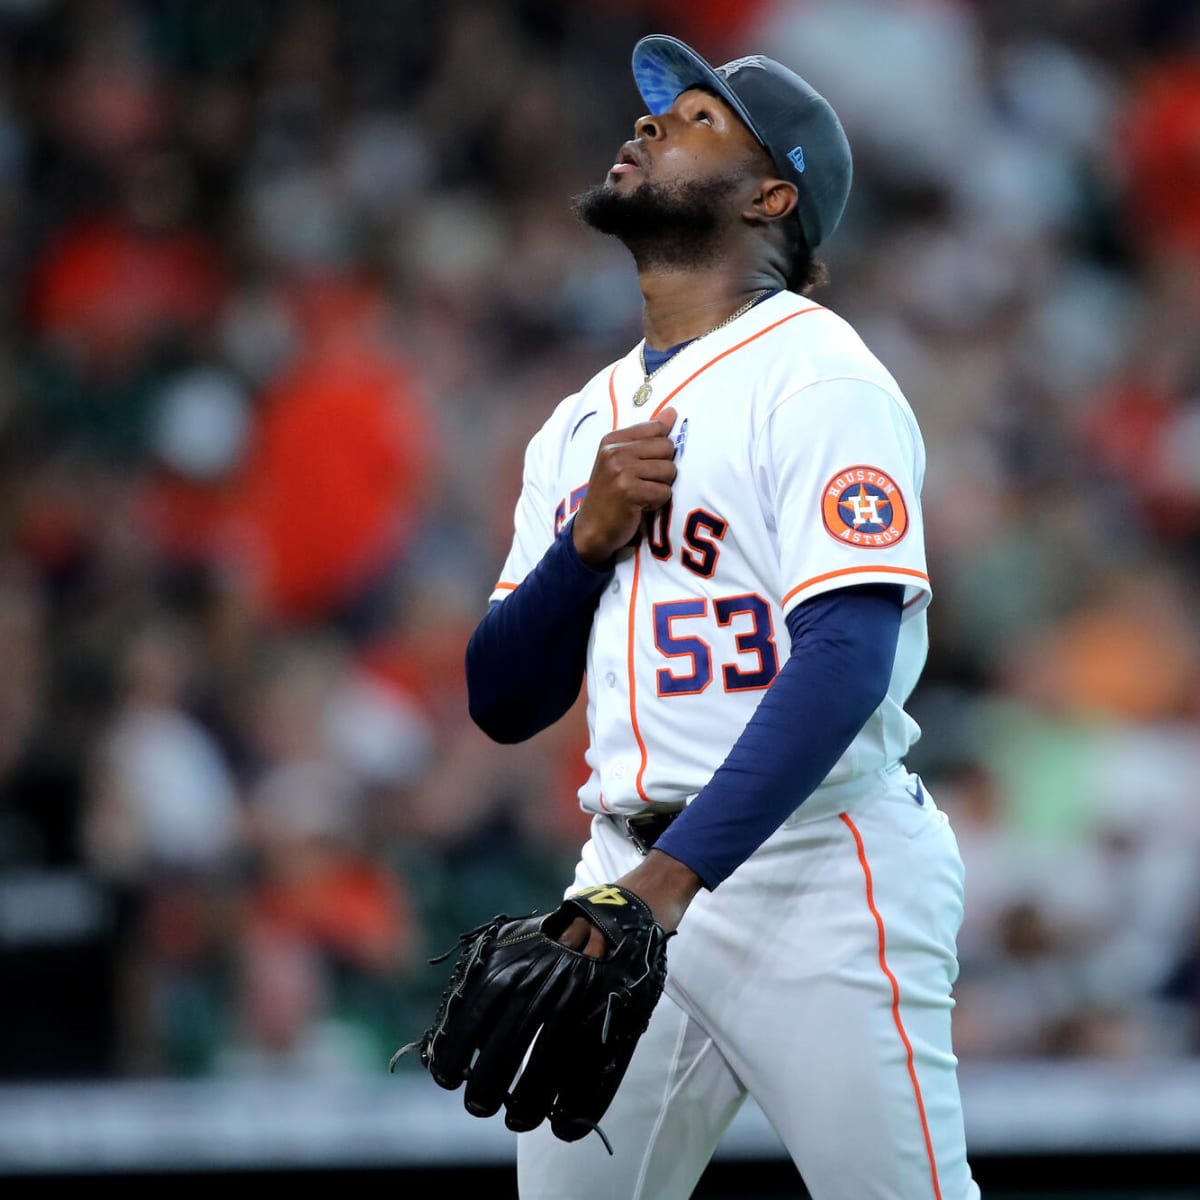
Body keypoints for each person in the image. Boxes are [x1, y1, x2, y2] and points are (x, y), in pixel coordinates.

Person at [463, 32, 981, 1200]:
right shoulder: (576, 424)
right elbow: (502, 699)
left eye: (697, 119)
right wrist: (583, 546)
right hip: (626, 868)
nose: (647, 126)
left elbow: (848, 657)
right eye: (652, 114)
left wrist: (674, 882)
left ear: (772, 195)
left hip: (816, 871)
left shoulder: (820, 375)